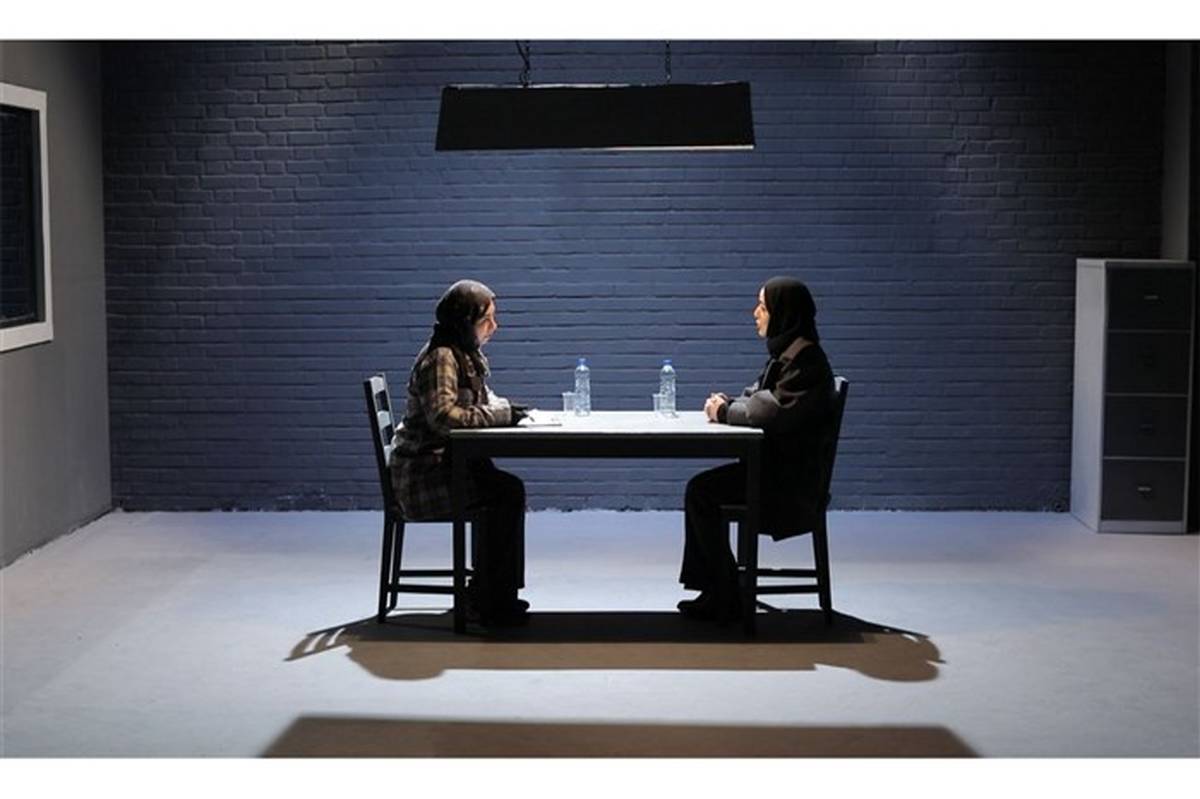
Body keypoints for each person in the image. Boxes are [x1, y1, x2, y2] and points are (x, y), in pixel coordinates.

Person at [678, 276, 835, 622]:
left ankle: (724, 594)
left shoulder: (805, 361)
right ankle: (720, 590)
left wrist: (725, 411)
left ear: (783, 312)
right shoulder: (788, 354)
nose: (755, 313)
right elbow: (756, 398)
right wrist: (731, 404)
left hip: (789, 488)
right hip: (777, 473)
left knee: (701, 493)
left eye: (763, 306)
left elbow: (769, 411)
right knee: (701, 490)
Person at [390, 279, 530, 626]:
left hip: (445, 466)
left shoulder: (462, 353)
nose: (494, 327)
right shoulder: (442, 358)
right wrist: (500, 415)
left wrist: (506, 408)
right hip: (424, 477)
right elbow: (444, 418)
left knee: (502, 488)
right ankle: (489, 601)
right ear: (464, 322)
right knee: (505, 494)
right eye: (486, 320)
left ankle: (491, 595)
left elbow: (480, 400)